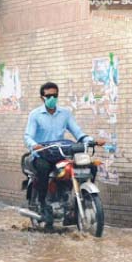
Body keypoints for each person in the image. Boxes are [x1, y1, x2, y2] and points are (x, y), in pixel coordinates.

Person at [24, 82, 96, 219]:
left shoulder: (65, 113)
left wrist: (90, 140)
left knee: (90, 167)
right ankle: (43, 203)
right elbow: (28, 136)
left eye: (55, 95)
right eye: (49, 95)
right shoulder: (35, 115)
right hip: (42, 154)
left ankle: (82, 199)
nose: (52, 98)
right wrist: (34, 145)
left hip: (60, 153)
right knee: (43, 168)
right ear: (42, 97)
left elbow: (78, 132)